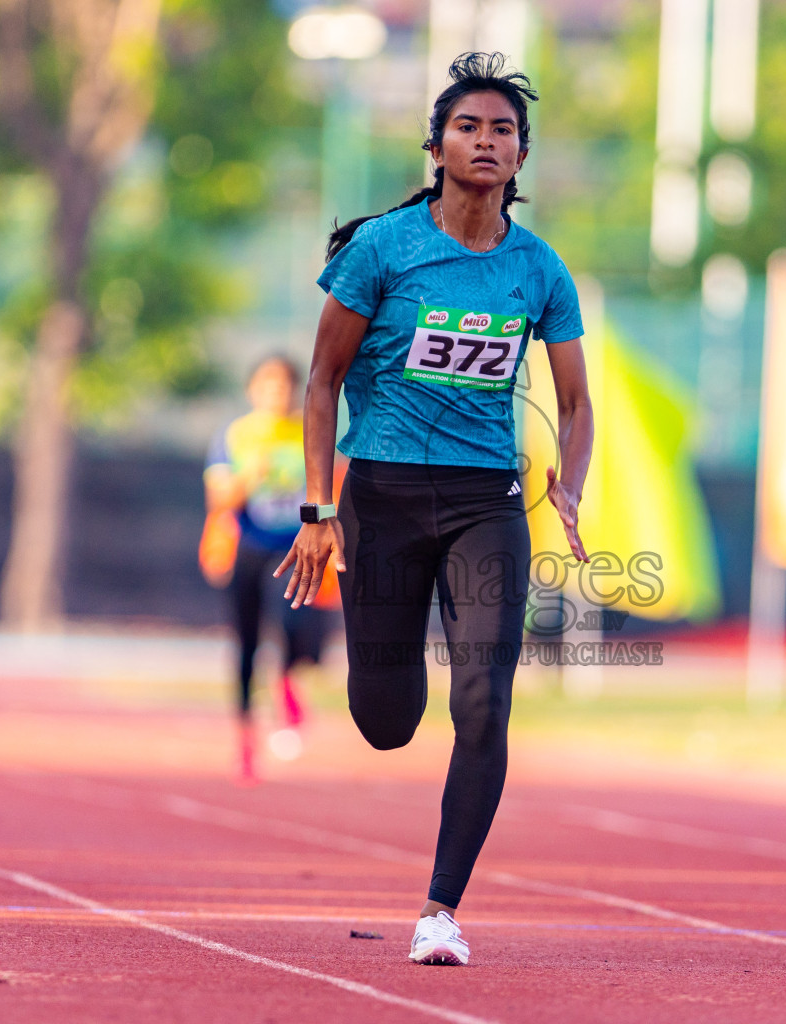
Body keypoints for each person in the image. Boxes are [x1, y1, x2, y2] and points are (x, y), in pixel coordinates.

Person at [276, 52, 593, 967]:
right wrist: (316, 509)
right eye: (469, 126)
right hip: (379, 494)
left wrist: (567, 482)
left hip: (485, 501)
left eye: (503, 130)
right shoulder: (384, 249)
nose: (486, 141)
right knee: (385, 719)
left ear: (521, 157)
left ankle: (441, 909)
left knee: (485, 700)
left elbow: (574, 403)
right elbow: (323, 378)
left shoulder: (540, 271)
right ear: (436, 146)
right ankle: (384, 677)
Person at [203, 356, 327, 784]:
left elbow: (327, 489)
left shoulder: (309, 432)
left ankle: (289, 684)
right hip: (248, 547)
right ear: (252, 390)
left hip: (294, 548)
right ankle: (246, 741)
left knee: (296, 624)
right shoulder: (235, 435)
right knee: (247, 644)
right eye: (267, 386)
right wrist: (248, 477)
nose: (276, 394)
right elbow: (220, 499)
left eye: (284, 386)